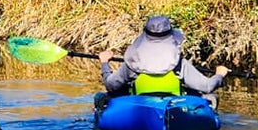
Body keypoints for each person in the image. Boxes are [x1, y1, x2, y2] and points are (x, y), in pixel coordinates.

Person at [98, 15, 229, 101]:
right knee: (209, 96)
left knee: (106, 96)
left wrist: (104, 63)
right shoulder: (179, 63)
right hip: (172, 105)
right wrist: (219, 75)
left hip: (140, 105)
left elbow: (111, 85)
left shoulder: (133, 63)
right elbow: (207, 86)